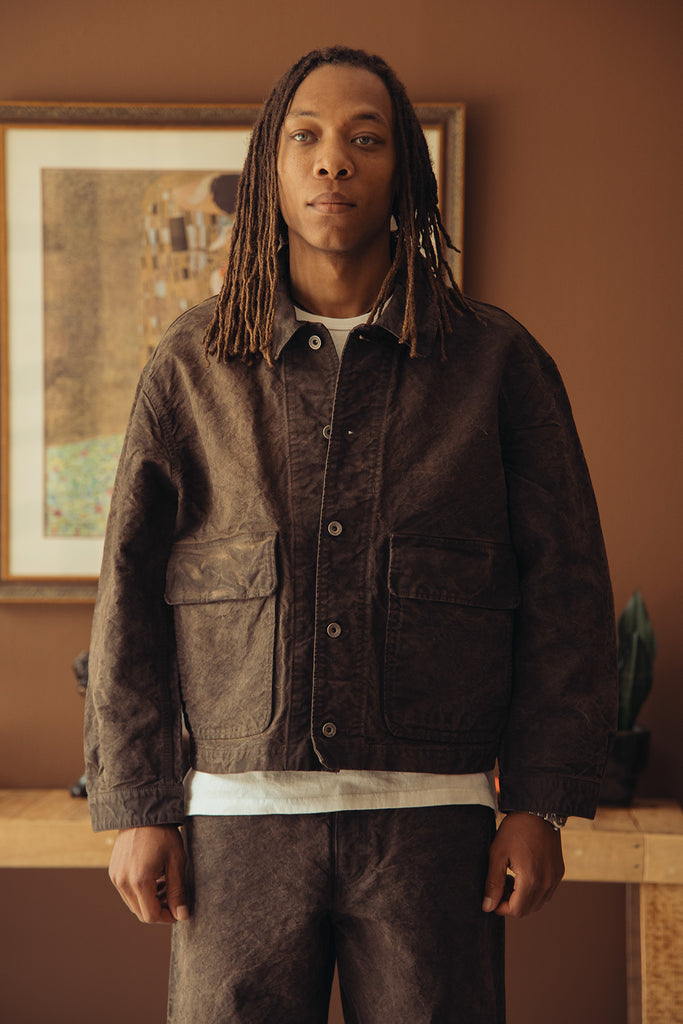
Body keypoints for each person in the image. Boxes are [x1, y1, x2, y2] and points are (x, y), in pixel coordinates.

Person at [85, 45, 617, 1024]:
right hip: (235, 831)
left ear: (403, 173)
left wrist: (538, 801)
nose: (334, 159)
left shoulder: (495, 362)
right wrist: (138, 804)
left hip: (433, 829)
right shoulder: (193, 364)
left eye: (365, 139)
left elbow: (566, 591)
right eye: (307, 138)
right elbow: (129, 596)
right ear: (270, 169)